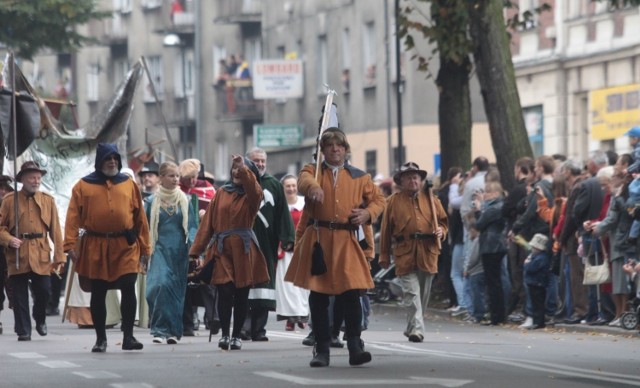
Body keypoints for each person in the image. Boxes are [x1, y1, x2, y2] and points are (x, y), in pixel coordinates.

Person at [285, 127, 386, 368]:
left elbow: (380, 200)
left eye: (339, 145)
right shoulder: (313, 171)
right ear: (323, 150)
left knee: (351, 294)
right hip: (319, 240)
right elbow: (303, 181)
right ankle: (322, 349)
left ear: (346, 149)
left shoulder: (360, 177)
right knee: (318, 297)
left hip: (347, 241)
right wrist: (314, 188)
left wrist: (367, 213)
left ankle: (354, 345)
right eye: (330, 145)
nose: (335, 149)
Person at [64, 143, 151, 352]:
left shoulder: (129, 184)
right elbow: (72, 217)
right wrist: (69, 244)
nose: (112, 162)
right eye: (107, 158)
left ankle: (128, 337)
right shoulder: (83, 186)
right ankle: (100, 339)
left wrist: (145, 248)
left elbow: (140, 218)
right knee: (99, 290)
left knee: (129, 286)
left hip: (125, 245)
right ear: (99, 162)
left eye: (115, 158)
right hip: (96, 245)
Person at [189, 155, 269, 351]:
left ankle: (236, 336)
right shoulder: (221, 193)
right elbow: (207, 224)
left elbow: (255, 189)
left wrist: (244, 169)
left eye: (241, 169)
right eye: (234, 168)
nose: (236, 171)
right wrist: (195, 251)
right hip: (222, 249)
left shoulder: (253, 195)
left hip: (244, 249)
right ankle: (225, 334)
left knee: (241, 295)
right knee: (224, 291)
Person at [379, 162, 447, 342]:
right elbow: (385, 230)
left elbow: (443, 222)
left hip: (427, 251)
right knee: (411, 293)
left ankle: (412, 326)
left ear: (421, 180)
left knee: (422, 296)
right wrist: (384, 255)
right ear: (401, 181)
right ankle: (417, 330)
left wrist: (442, 231)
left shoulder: (432, 200)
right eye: (408, 177)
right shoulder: (393, 202)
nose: (413, 180)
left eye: (416, 177)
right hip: (404, 253)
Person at [0, 162, 65, 341]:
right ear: (22, 179)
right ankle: (23, 330)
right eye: (32, 177)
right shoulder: (9, 200)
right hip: (18, 253)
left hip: (41, 252)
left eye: (38, 178)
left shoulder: (48, 200)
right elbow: (1, 227)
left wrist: (60, 256)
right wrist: (8, 239)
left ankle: (40, 317)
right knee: (19, 295)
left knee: (43, 291)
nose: (36, 181)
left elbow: (56, 231)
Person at [242, 147, 295, 341]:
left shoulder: (273, 185)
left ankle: (259, 329)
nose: (261, 164)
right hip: (245, 242)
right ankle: (244, 328)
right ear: (248, 162)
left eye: (263, 161)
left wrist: (288, 237)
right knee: (246, 284)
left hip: (267, 243)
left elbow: (283, 213)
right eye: (257, 161)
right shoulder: (241, 184)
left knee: (264, 286)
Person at [145, 162, 198, 344]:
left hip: (179, 252)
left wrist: (195, 249)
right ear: (161, 178)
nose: (176, 179)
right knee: (159, 286)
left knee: (175, 291)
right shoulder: (151, 202)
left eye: (177, 176)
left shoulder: (185, 200)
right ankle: (159, 329)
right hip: (158, 249)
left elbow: (192, 226)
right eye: (171, 176)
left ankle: (173, 332)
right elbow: (144, 228)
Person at [178, 158, 216, 336]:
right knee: (185, 283)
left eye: (194, 177)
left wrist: (206, 215)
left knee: (208, 280)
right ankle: (187, 323)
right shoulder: (177, 190)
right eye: (188, 179)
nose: (191, 182)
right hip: (184, 242)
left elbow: (217, 210)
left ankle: (213, 317)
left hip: (206, 240)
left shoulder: (207, 187)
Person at [275, 174, 309, 331]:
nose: (291, 189)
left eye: (293, 185)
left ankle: (302, 315)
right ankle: (290, 318)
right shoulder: (279, 205)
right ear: (283, 188)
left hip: (303, 249)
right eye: (287, 186)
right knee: (287, 286)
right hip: (286, 250)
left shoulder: (305, 204)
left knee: (303, 286)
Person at [473, 180, 508, 325]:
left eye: (487, 192)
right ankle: (497, 314)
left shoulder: (494, 208)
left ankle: (497, 316)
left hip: (491, 247)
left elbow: (479, 224)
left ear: (495, 193)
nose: (484, 195)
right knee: (495, 281)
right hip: (495, 246)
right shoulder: (497, 206)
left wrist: (478, 209)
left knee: (493, 282)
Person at [523, 233, 551, 330]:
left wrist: (526, 263)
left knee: (538, 303)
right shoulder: (537, 256)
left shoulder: (540, 258)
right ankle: (536, 321)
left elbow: (530, 268)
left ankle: (539, 322)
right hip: (534, 282)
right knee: (536, 303)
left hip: (537, 283)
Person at [0, 175, 14, 334]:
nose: (2, 192)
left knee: (13, 285)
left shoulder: (12, 204)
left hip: (10, 249)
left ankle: (21, 321)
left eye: (5, 189)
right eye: (0, 189)